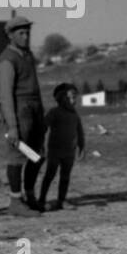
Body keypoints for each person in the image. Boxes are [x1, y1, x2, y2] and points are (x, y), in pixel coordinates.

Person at [0, 15, 45, 216]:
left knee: (36, 155)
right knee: (17, 157)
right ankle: (15, 201)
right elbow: (5, 96)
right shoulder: (7, 60)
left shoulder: (28, 56)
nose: (26, 37)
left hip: (34, 110)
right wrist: (12, 126)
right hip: (19, 111)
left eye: (28, 33)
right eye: (21, 33)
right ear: (10, 35)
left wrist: (41, 115)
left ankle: (30, 196)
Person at [39, 83, 85, 211]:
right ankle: (41, 200)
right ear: (60, 98)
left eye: (74, 97)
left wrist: (82, 146)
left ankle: (62, 200)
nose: (73, 101)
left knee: (65, 176)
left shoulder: (74, 114)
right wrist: (40, 143)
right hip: (55, 151)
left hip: (69, 152)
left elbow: (80, 131)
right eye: (69, 97)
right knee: (50, 175)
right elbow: (44, 127)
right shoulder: (54, 112)